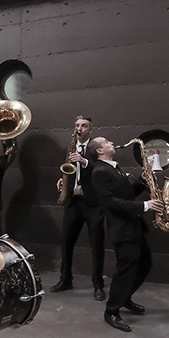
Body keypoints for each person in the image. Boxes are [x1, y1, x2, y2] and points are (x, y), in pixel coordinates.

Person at [90, 136, 165, 332]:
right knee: (125, 270)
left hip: (133, 225)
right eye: (106, 142)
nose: (111, 142)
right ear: (99, 151)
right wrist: (145, 205)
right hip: (121, 228)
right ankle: (111, 311)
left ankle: (124, 298)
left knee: (144, 264)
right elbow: (109, 202)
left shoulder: (114, 168)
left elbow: (125, 194)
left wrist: (141, 181)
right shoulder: (99, 171)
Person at [51, 116, 106, 300]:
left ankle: (98, 284)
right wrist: (63, 181)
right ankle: (65, 279)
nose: (79, 128)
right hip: (73, 201)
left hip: (93, 203)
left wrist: (85, 162)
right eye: (77, 125)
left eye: (84, 126)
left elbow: (104, 169)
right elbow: (67, 170)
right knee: (66, 241)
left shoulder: (97, 146)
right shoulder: (70, 147)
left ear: (90, 130)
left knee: (97, 244)